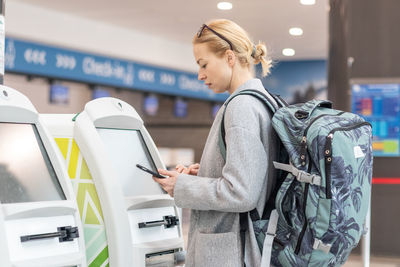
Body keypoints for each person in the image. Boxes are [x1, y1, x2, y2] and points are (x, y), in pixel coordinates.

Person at [153, 19, 279, 267]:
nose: (200, 75)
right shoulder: (265, 101)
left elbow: (242, 193)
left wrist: (183, 188)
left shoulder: (241, 106)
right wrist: (205, 174)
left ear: (229, 57)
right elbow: (256, 174)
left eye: (204, 64)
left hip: (231, 254)